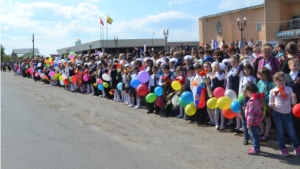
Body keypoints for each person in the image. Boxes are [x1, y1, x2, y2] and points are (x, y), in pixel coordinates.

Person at [269, 72, 300, 156]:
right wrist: (272, 105)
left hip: (287, 113)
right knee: (280, 132)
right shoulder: (273, 91)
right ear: (275, 81)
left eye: (283, 80)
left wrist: (294, 98)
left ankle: (296, 147)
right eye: (279, 80)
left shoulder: (289, 89)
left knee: (291, 131)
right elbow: (270, 103)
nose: (282, 82)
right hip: (277, 113)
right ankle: (283, 148)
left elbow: (293, 103)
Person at [245, 83, 264, 155]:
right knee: (253, 134)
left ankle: (256, 148)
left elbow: (251, 113)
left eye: (246, 91)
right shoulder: (257, 99)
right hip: (256, 120)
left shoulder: (252, 101)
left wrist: (249, 123)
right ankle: (255, 146)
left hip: (252, 121)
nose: (246, 93)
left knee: (254, 135)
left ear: (249, 91)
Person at [226, 55, 244, 129]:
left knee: (238, 108)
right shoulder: (230, 71)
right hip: (230, 91)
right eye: (232, 62)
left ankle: (242, 125)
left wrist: (240, 93)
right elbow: (227, 82)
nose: (233, 63)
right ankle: (237, 124)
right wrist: (226, 91)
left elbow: (241, 82)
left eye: (235, 62)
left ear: (238, 62)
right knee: (233, 108)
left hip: (237, 91)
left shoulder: (240, 71)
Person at [285, 58, 300, 141]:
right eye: (294, 65)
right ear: (289, 66)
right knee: (289, 119)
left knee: (298, 119)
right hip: (288, 101)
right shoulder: (286, 76)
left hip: (299, 101)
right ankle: (289, 136)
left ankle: (297, 136)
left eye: (298, 65)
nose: (297, 66)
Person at [210, 62, 226, 129]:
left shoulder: (222, 74)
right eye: (213, 67)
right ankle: (216, 123)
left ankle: (222, 123)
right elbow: (212, 84)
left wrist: (216, 73)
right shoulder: (213, 75)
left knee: (221, 108)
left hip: (221, 92)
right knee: (216, 108)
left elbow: (220, 79)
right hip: (215, 92)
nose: (214, 69)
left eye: (216, 67)